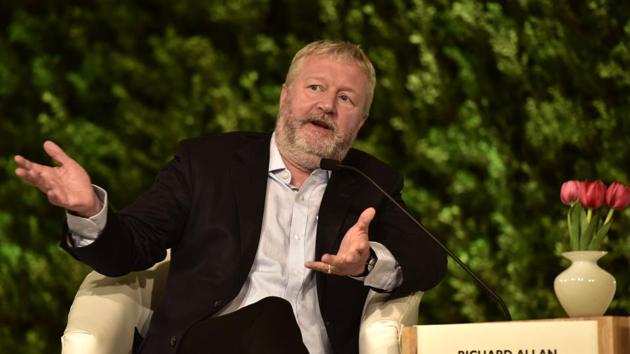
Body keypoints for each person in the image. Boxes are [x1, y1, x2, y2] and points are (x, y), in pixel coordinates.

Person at [14, 40, 446, 354]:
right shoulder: (208, 163)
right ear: (285, 97)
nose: (327, 105)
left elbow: (429, 261)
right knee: (274, 315)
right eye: (314, 88)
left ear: (361, 121)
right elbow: (130, 247)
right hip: (203, 345)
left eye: (345, 98)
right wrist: (89, 210)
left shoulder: (370, 182)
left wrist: (365, 263)